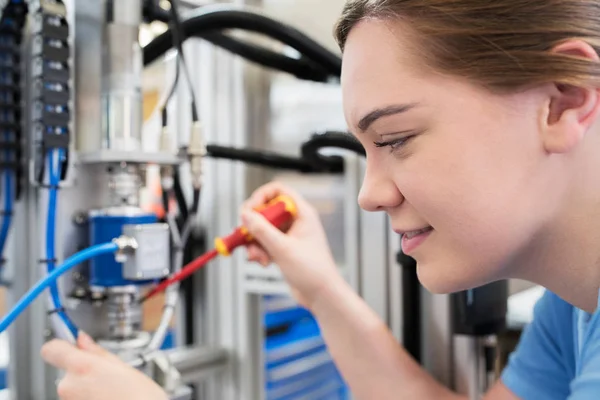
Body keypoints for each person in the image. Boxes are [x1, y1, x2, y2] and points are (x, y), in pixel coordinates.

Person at [40, 0, 600, 398]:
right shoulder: (573, 309)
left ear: (562, 104)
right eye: (366, 149)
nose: (369, 195)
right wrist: (319, 287)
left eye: (396, 139)